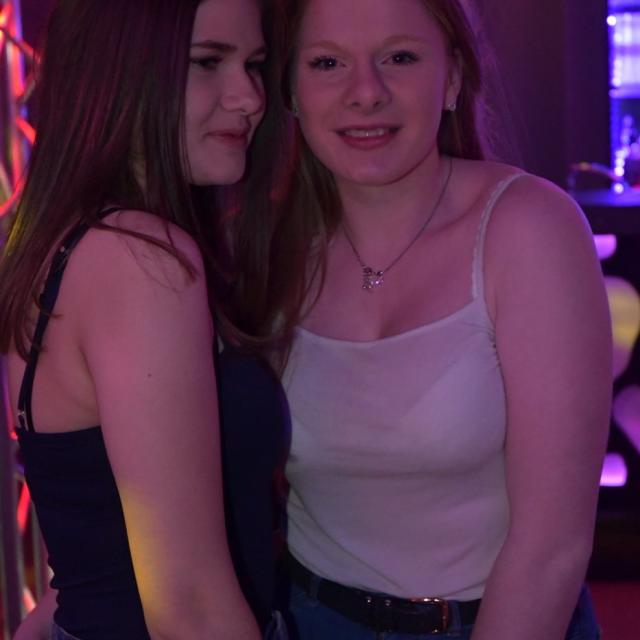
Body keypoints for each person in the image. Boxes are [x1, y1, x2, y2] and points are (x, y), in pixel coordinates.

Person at [269, 0, 613, 638]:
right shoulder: (263, 247)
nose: (365, 92)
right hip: (307, 617)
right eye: (327, 63)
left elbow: (552, 550)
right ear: (290, 90)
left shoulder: (529, 228)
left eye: (399, 57)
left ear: (452, 77)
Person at [0, 0, 289, 638]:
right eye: (207, 62)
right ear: (119, 69)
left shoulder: (67, 241)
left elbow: (93, 538)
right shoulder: (142, 257)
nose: (249, 98)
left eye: (254, 65)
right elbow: (189, 609)